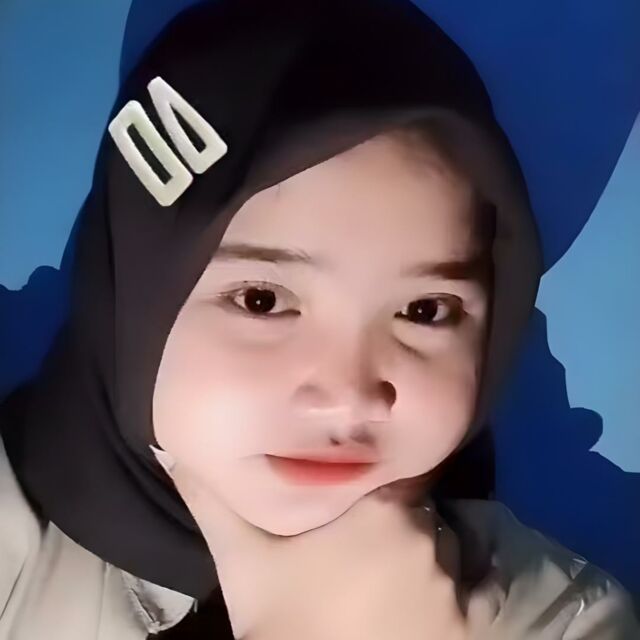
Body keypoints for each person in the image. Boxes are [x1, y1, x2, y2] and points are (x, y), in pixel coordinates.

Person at [0, 0, 637, 638]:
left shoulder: (564, 620)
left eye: (424, 311)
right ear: (127, 300)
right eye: (262, 300)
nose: (350, 397)